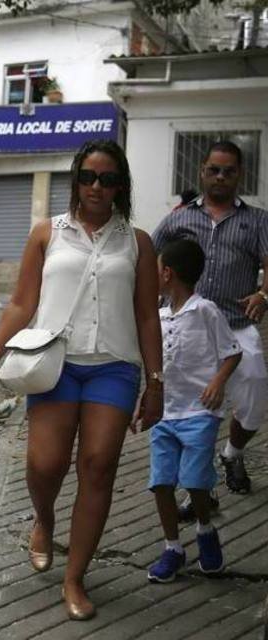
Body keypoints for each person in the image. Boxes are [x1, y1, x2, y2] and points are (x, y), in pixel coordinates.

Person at [0, 139, 163, 621]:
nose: (97, 187)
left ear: (121, 186)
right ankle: (44, 516)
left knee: (98, 466)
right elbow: (21, 303)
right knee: (45, 465)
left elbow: (146, 317)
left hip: (115, 366)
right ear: (76, 178)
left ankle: (74, 578)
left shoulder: (136, 241)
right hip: (53, 363)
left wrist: (155, 380)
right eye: (89, 177)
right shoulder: (46, 233)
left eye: (109, 179)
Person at [152, 141, 268, 495]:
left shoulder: (258, 220)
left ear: (239, 176)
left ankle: (232, 453)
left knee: (255, 399)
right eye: (213, 170)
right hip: (188, 327)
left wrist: (264, 295)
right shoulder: (179, 217)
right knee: (189, 407)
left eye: (228, 171)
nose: (220, 177)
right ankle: (195, 492)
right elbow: (150, 258)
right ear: (202, 172)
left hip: (236, 323)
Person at [146, 239, 241, 583]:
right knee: (160, 482)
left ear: (167, 274)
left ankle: (205, 529)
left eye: (155, 270)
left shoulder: (206, 310)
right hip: (164, 416)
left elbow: (232, 351)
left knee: (195, 480)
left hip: (200, 413)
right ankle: (173, 547)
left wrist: (218, 381)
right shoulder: (156, 317)